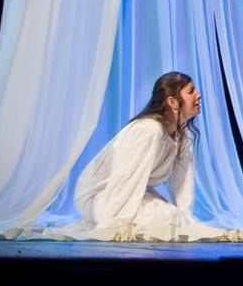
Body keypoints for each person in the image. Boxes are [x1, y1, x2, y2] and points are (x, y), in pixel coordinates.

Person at [74, 71, 202, 234]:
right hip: (104, 196)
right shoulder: (148, 130)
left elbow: (182, 182)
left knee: (177, 218)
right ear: (172, 102)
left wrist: (186, 217)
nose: (198, 95)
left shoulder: (182, 135)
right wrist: (114, 221)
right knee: (166, 219)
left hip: (134, 193)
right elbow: (125, 177)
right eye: (191, 91)